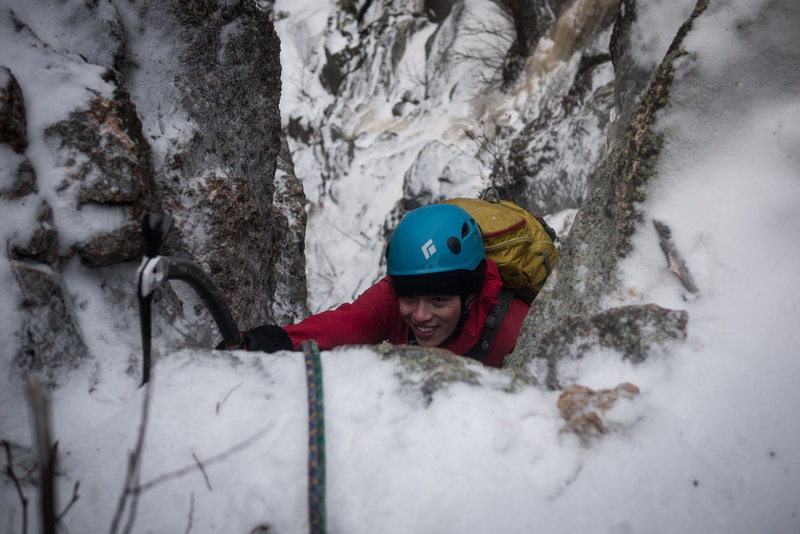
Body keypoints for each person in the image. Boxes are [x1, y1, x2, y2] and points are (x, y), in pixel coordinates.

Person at [227, 203, 530, 367]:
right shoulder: (396, 293)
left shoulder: (514, 332)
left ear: (470, 296)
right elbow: (350, 324)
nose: (420, 315)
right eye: (409, 298)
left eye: (438, 300)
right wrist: (277, 343)